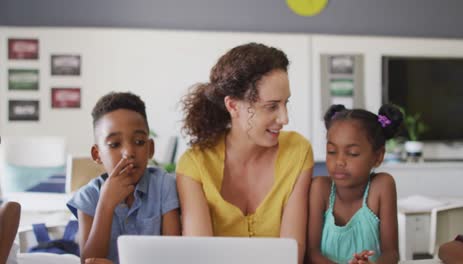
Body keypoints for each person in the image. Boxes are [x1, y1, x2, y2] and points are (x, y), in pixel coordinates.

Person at [176, 42, 313, 263]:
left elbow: (293, 253)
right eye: (271, 106)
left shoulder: (297, 152)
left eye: (286, 103)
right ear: (233, 106)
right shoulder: (195, 165)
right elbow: (200, 257)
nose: (284, 118)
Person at [67, 92, 180, 264]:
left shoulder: (164, 185)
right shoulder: (88, 197)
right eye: (115, 144)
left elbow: (174, 256)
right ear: (97, 154)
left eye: (139, 142)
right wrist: (105, 204)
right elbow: (89, 260)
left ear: (150, 149)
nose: (128, 153)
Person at [307, 104, 402, 264]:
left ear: (378, 156)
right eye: (331, 151)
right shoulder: (320, 189)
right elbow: (311, 253)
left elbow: (391, 253)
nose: (339, 161)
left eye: (352, 153)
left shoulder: (382, 186)